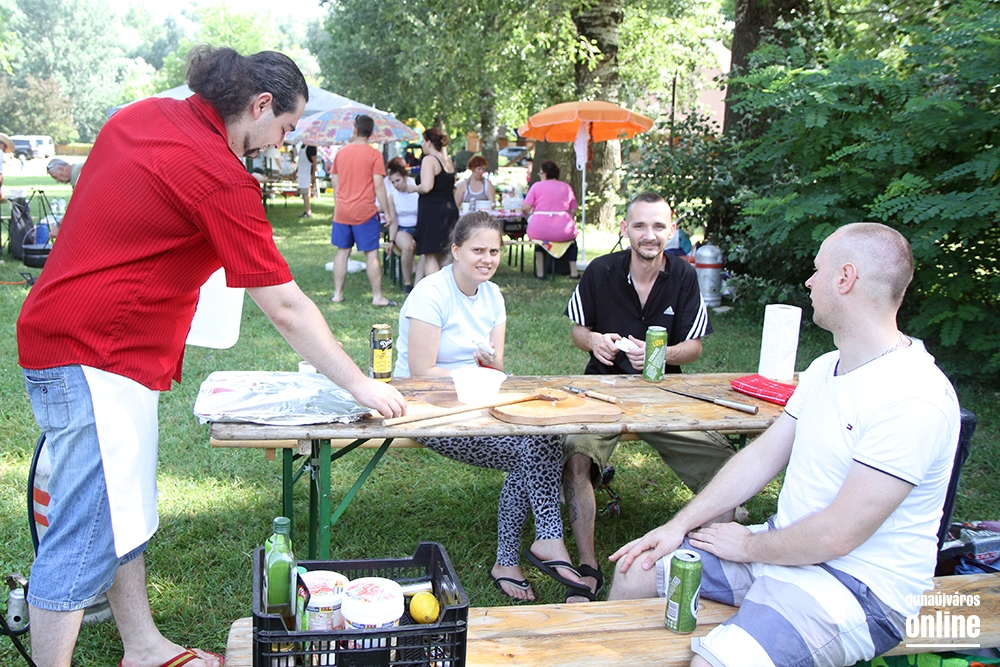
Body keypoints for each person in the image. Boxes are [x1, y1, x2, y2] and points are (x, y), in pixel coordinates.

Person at [16, 46, 406, 667]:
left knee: (121, 509)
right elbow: (286, 307)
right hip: (95, 355)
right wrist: (360, 383)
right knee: (83, 536)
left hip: (85, 342)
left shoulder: (141, 116)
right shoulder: (219, 175)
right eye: (284, 127)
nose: (281, 143)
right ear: (259, 105)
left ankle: (142, 646)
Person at [610, 222, 961, 667]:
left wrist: (747, 547)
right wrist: (677, 526)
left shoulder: (913, 396)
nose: (809, 282)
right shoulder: (826, 367)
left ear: (845, 278)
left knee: (713, 664)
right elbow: (761, 456)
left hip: (856, 587)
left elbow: (837, 535)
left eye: (817, 270)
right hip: (782, 550)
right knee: (636, 569)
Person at [394, 211, 588, 602]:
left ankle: (525, 553)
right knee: (533, 451)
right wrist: (475, 372)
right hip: (426, 407)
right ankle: (535, 547)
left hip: (478, 398)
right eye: (477, 250)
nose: (487, 259)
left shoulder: (493, 295)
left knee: (543, 434)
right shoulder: (431, 293)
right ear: (456, 250)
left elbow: (495, 366)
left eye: (494, 252)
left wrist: (486, 365)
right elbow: (421, 373)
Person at [561, 192, 733, 603]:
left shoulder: (685, 275)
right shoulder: (601, 270)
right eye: (640, 225)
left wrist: (660, 354)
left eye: (658, 226)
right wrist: (594, 341)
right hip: (602, 390)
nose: (649, 235)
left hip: (664, 394)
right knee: (575, 457)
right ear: (625, 229)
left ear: (671, 231)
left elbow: (694, 347)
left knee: (724, 461)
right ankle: (588, 565)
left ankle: (717, 559)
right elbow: (578, 330)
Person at [330, 114, 397, 306]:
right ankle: (377, 296)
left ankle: (337, 294)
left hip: (342, 211)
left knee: (342, 252)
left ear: (355, 129)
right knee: (371, 254)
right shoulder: (374, 155)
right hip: (365, 212)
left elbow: (335, 182)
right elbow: (379, 185)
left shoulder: (341, 153)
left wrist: (339, 203)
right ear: (371, 133)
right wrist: (387, 213)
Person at [406, 128, 458, 280]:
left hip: (433, 211)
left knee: (430, 254)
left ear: (429, 142)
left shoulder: (429, 160)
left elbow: (427, 186)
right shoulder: (447, 160)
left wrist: (413, 188)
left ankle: (434, 289)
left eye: (423, 141)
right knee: (444, 254)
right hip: (449, 209)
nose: (422, 145)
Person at [521, 160, 579, 279]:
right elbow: (573, 210)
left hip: (539, 228)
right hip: (563, 230)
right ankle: (573, 272)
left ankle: (540, 272)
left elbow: (525, 207)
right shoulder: (566, 187)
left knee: (540, 242)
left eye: (541, 173)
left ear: (545, 174)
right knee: (572, 244)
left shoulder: (536, 186)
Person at [384, 157, 419, 293]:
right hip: (403, 229)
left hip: (418, 227)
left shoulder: (416, 192)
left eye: (397, 180)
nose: (395, 185)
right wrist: (391, 240)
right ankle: (407, 282)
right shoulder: (392, 197)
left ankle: (420, 279)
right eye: (392, 182)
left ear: (405, 178)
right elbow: (394, 221)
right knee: (408, 247)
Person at [296, 143, 317, 218]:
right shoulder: (302, 146)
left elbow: (314, 161)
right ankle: (307, 210)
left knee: (305, 193)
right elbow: (300, 161)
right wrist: (296, 171)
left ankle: (308, 211)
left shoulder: (311, 147)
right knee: (304, 193)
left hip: (307, 173)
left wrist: (313, 174)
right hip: (302, 173)